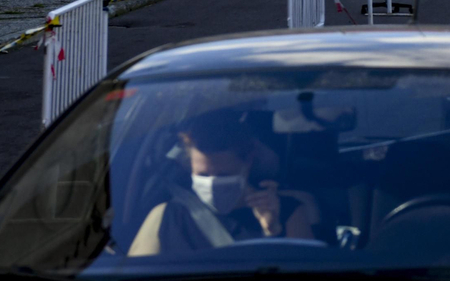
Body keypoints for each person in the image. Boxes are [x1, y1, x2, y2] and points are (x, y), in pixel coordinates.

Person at [128, 109, 313, 255]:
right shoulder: (168, 216)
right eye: (202, 175)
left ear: (247, 162)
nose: (212, 183)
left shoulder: (287, 211)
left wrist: (272, 232)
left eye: (224, 175)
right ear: (189, 165)